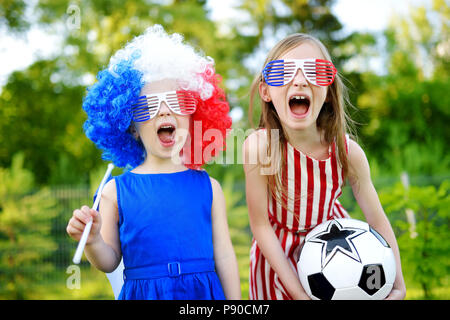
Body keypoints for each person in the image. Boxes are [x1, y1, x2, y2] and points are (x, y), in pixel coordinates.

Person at [66, 25, 241, 300]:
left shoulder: (210, 187)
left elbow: (224, 255)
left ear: (193, 114)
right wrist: (93, 240)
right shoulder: (114, 191)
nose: (163, 110)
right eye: (146, 106)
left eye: (176, 100)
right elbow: (108, 261)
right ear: (131, 126)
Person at [243, 33, 406, 300]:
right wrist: (300, 294)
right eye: (282, 72)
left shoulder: (348, 151)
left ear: (329, 93)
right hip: (276, 263)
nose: (299, 80)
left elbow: (377, 220)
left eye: (313, 71)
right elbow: (260, 225)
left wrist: (398, 284)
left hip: (339, 258)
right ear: (266, 91)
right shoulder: (260, 148)